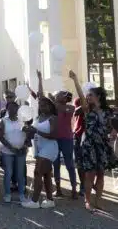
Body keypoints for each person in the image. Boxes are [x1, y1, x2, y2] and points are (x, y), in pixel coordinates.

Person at [69, 70, 117, 211]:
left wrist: (113, 132)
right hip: (89, 144)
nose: (88, 97)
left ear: (99, 96)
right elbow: (80, 95)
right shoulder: (87, 109)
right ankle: (88, 202)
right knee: (90, 174)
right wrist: (75, 79)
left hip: (102, 144)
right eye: (87, 95)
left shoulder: (108, 111)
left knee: (101, 174)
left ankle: (99, 201)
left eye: (91, 95)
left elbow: (112, 126)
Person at [22, 73, 59, 209]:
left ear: (50, 106)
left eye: (45, 105)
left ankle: (34, 201)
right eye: (41, 105)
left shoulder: (53, 118)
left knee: (37, 172)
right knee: (46, 174)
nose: (43, 106)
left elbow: (54, 135)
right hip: (38, 147)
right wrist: (28, 133)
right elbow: (40, 96)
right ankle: (50, 200)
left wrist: (35, 131)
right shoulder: (38, 117)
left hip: (49, 148)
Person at [0, 102, 27, 204]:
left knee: (20, 174)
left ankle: (21, 194)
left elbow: (28, 135)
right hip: (7, 151)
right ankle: (7, 194)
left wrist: (25, 146)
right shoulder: (3, 121)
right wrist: (11, 148)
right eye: (10, 108)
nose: (13, 110)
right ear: (7, 109)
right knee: (8, 173)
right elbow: (0, 136)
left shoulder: (23, 120)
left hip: (21, 151)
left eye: (15, 108)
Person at [50, 90, 77, 199]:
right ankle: (58, 189)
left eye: (60, 94)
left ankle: (74, 189)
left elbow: (62, 108)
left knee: (69, 164)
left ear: (66, 99)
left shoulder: (70, 108)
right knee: (55, 164)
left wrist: (54, 100)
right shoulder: (53, 108)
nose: (57, 95)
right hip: (55, 139)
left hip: (67, 139)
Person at [73, 98, 86, 196]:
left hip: (90, 136)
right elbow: (75, 112)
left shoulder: (94, 103)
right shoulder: (78, 100)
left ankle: (90, 185)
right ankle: (83, 185)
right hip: (78, 135)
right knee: (80, 163)